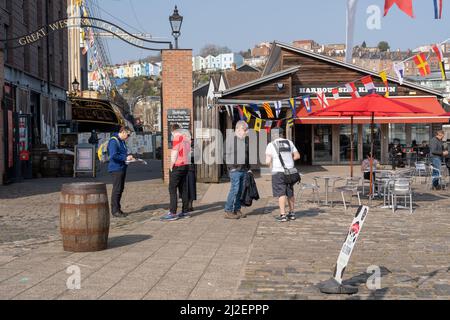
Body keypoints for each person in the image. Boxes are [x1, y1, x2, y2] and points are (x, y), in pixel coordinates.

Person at [265, 127, 301, 222]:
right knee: (290, 192)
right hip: (290, 171)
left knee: (281, 193)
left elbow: (268, 161)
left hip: (278, 171)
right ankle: (292, 213)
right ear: (282, 134)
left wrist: (271, 168)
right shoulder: (289, 142)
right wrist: (288, 161)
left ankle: (283, 215)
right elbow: (297, 156)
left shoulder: (271, 144)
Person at [161, 124, 191, 221]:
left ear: (173, 131)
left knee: (172, 189)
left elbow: (175, 152)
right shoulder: (186, 138)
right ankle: (185, 211)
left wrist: (171, 164)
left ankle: (173, 212)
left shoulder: (177, 137)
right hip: (186, 165)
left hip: (178, 165)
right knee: (183, 189)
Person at [224, 120, 250, 219]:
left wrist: (248, 168)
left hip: (243, 169)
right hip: (235, 170)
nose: (246, 132)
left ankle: (237, 210)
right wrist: (231, 168)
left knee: (240, 191)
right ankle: (228, 210)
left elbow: (247, 154)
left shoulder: (245, 139)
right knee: (234, 190)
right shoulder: (230, 139)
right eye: (245, 130)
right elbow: (225, 154)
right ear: (238, 129)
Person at [108, 126, 134, 218]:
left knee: (120, 189)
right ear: (123, 132)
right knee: (117, 189)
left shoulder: (122, 141)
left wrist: (128, 157)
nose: (128, 137)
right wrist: (125, 158)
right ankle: (115, 211)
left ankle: (118, 208)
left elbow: (122, 153)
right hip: (116, 168)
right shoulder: (114, 141)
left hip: (122, 167)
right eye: (128, 135)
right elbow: (113, 155)